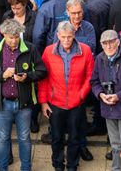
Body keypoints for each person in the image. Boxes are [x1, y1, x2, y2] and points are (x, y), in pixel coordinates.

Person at [0, 18, 44, 171]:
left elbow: (42, 71)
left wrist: (27, 77)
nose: (14, 41)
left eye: (16, 37)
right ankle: (2, 168)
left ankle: (26, 168)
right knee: (3, 139)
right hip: (3, 103)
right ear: (3, 34)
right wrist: (2, 75)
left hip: (24, 103)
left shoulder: (30, 49)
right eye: (10, 37)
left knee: (24, 138)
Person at [38, 21, 93, 171]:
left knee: (75, 138)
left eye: (69, 36)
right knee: (56, 138)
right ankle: (58, 165)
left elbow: (90, 76)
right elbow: (43, 79)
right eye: (63, 37)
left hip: (77, 103)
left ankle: (72, 166)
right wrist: (43, 102)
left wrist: (81, 94)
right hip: (56, 103)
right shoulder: (49, 52)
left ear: (74, 35)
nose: (67, 40)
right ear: (58, 36)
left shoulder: (85, 51)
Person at [91, 29, 121, 171]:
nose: (109, 46)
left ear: (118, 42)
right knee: (115, 144)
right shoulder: (99, 58)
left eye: (111, 42)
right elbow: (94, 81)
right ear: (101, 44)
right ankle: (116, 169)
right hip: (107, 109)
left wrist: (119, 96)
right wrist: (100, 95)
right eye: (105, 43)